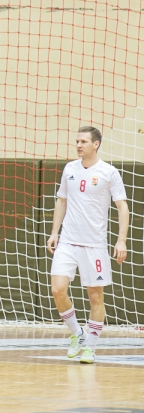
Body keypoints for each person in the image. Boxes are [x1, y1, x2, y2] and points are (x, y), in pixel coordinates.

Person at [47, 126, 129, 364]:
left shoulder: (108, 172)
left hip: (94, 245)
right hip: (68, 242)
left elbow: (122, 206)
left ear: (96, 144)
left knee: (95, 297)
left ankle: (90, 346)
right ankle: (77, 334)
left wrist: (121, 240)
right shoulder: (70, 168)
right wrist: (55, 233)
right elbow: (61, 201)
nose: (79, 145)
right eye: (77, 141)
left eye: (84, 141)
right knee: (57, 289)